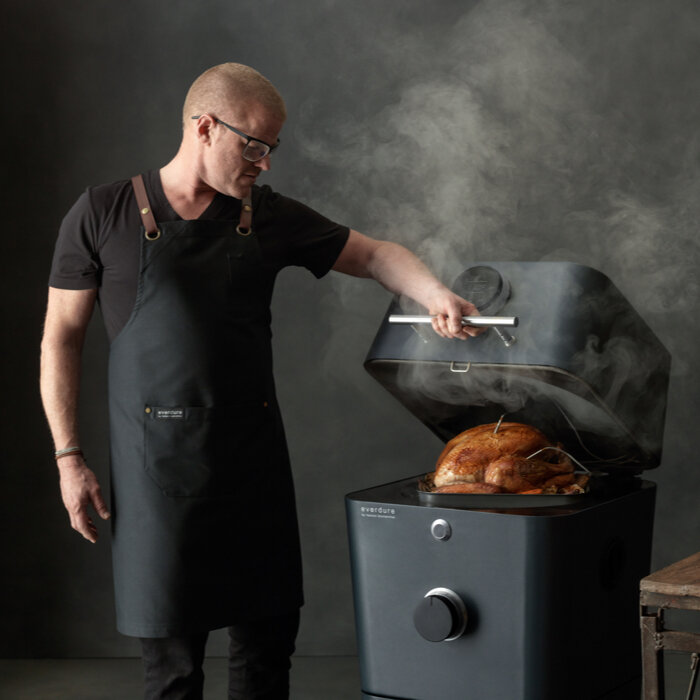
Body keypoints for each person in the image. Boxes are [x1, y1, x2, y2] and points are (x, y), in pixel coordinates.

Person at [40, 62, 481, 700]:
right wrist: (68, 458)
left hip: (252, 468)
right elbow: (60, 339)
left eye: (272, 147)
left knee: (266, 656)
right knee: (172, 673)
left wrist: (433, 292)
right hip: (155, 479)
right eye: (254, 146)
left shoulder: (265, 215)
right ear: (205, 128)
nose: (265, 162)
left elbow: (375, 254)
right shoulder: (102, 212)